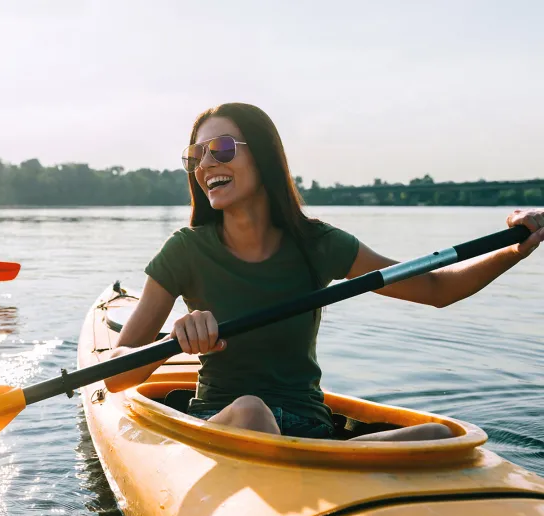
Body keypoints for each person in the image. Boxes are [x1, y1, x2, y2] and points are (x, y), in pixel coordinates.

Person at [105, 103, 544, 441]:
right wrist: (173, 340)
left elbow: (435, 288)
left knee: (440, 435)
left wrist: (514, 250)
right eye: (195, 156)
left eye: (220, 149)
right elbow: (116, 373)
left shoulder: (319, 244)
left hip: (311, 430)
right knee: (253, 412)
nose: (205, 166)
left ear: (265, 157)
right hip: (226, 425)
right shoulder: (185, 251)